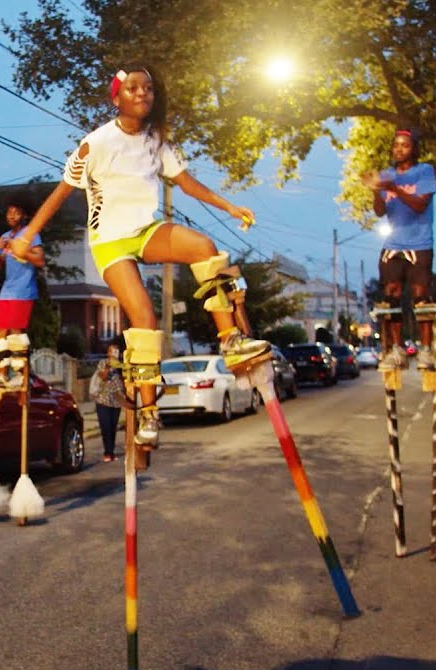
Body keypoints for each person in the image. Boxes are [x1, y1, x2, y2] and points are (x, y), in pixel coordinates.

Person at [17, 61, 269, 448]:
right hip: (111, 242)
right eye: (133, 88)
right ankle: (149, 412)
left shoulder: (157, 142)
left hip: (145, 232)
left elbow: (187, 183)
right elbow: (60, 193)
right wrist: (28, 235)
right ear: (116, 96)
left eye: (148, 89)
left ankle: (231, 339)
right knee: (145, 320)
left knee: (205, 248)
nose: (142, 94)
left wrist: (229, 207)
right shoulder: (95, 143)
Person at [361, 129, 436, 371]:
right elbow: (380, 211)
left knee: (420, 297)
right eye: (395, 145)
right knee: (391, 297)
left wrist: (394, 186)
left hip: (419, 243)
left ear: (413, 149)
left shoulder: (424, 171)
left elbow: (419, 204)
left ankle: (425, 351)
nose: (398, 150)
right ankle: (397, 349)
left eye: (404, 146)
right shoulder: (388, 175)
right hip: (393, 245)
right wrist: (376, 189)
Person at [0, 196, 45, 390]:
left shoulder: (30, 234)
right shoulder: (5, 236)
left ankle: (19, 374)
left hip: (23, 290)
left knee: (16, 333)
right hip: (7, 289)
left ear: (24, 215)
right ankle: (0, 374)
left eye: (16, 212)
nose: (11, 216)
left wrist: (21, 250)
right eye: (9, 213)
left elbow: (40, 260)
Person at [91, 341, 126, 462]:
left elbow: (125, 380)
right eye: (112, 351)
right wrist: (109, 366)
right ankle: (107, 452)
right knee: (105, 427)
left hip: (116, 401)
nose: (114, 354)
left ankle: (111, 452)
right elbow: (104, 376)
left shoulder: (121, 366)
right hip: (103, 401)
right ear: (108, 353)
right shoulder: (103, 363)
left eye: (116, 351)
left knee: (113, 427)